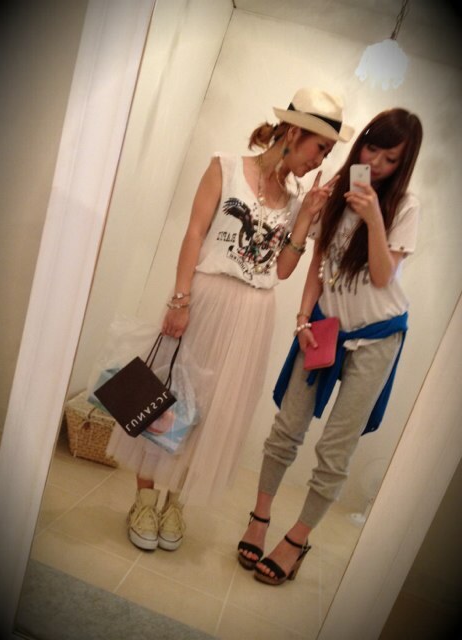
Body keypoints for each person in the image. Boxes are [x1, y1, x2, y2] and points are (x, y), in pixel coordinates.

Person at [106, 88, 354, 552]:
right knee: (164, 395)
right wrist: (180, 299)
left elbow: (282, 270)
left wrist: (305, 218)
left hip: (252, 315)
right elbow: (194, 233)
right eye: (320, 147)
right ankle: (144, 500)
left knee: (211, 412)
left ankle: (174, 502)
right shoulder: (225, 166)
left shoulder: (297, 197)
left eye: (327, 152)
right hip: (206, 299)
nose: (320, 158)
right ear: (294, 133)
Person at [237, 107, 423, 585]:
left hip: (378, 336)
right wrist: (302, 317)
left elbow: (381, 277)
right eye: (371, 148)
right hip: (324, 325)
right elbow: (319, 262)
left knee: (335, 449)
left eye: (389, 158)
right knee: (287, 427)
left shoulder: (405, 207)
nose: (375, 163)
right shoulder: (335, 190)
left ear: (403, 163)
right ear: (361, 144)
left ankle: (296, 540)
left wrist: (375, 220)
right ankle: (259, 518)